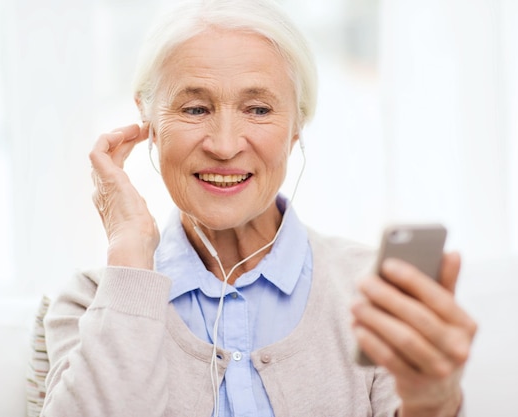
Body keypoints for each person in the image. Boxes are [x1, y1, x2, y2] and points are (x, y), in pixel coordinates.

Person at [41, 0, 477, 416]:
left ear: (296, 126)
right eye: (195, 108)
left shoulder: (371, 293)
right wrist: (130, 250)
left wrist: (431, 402)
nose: (226, 145)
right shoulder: (90, 306)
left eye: (258, 109)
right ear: (149, 120)